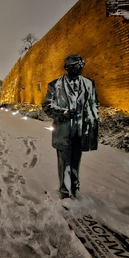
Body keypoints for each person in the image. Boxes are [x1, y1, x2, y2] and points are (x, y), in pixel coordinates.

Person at [41, 54, 99, 199]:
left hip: (80, 131)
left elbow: (94, 105)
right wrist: (63, 112)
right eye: (76, 66)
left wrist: (91, 125)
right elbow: (47, 105)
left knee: (76, 161)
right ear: (67, 68)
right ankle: (65, 191)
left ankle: (75, 187)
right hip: (63, 130)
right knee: (64, 161)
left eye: (81, 66)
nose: (79, 69)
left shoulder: (89, 83)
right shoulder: (55, 85)